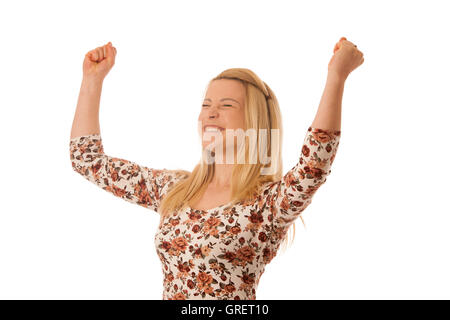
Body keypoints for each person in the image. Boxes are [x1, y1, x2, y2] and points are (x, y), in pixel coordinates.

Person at [69, 37, 364, 300]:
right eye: (206, 103)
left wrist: (336, 76)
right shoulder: (175, 190)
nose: (210, 111)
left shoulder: (268, 203)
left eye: (226, 105)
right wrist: (92, 81)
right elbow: (87, 160)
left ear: (252, 120)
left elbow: (314, 165)